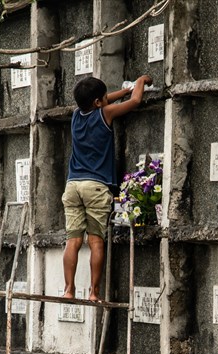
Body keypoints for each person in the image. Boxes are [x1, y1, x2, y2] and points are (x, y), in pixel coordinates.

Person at [63, 74, 153, 301]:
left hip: (73, 186)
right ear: (98, 102)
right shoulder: (105, 113)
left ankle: (69, 290)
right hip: (96, 187)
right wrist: (140, 81)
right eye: (104, 97)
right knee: (95, 241)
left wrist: (122, 91)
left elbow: (102, 100)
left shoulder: (75, 115)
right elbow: (134, 103)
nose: (107, 100)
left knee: (73, 241)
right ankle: (94, 292)